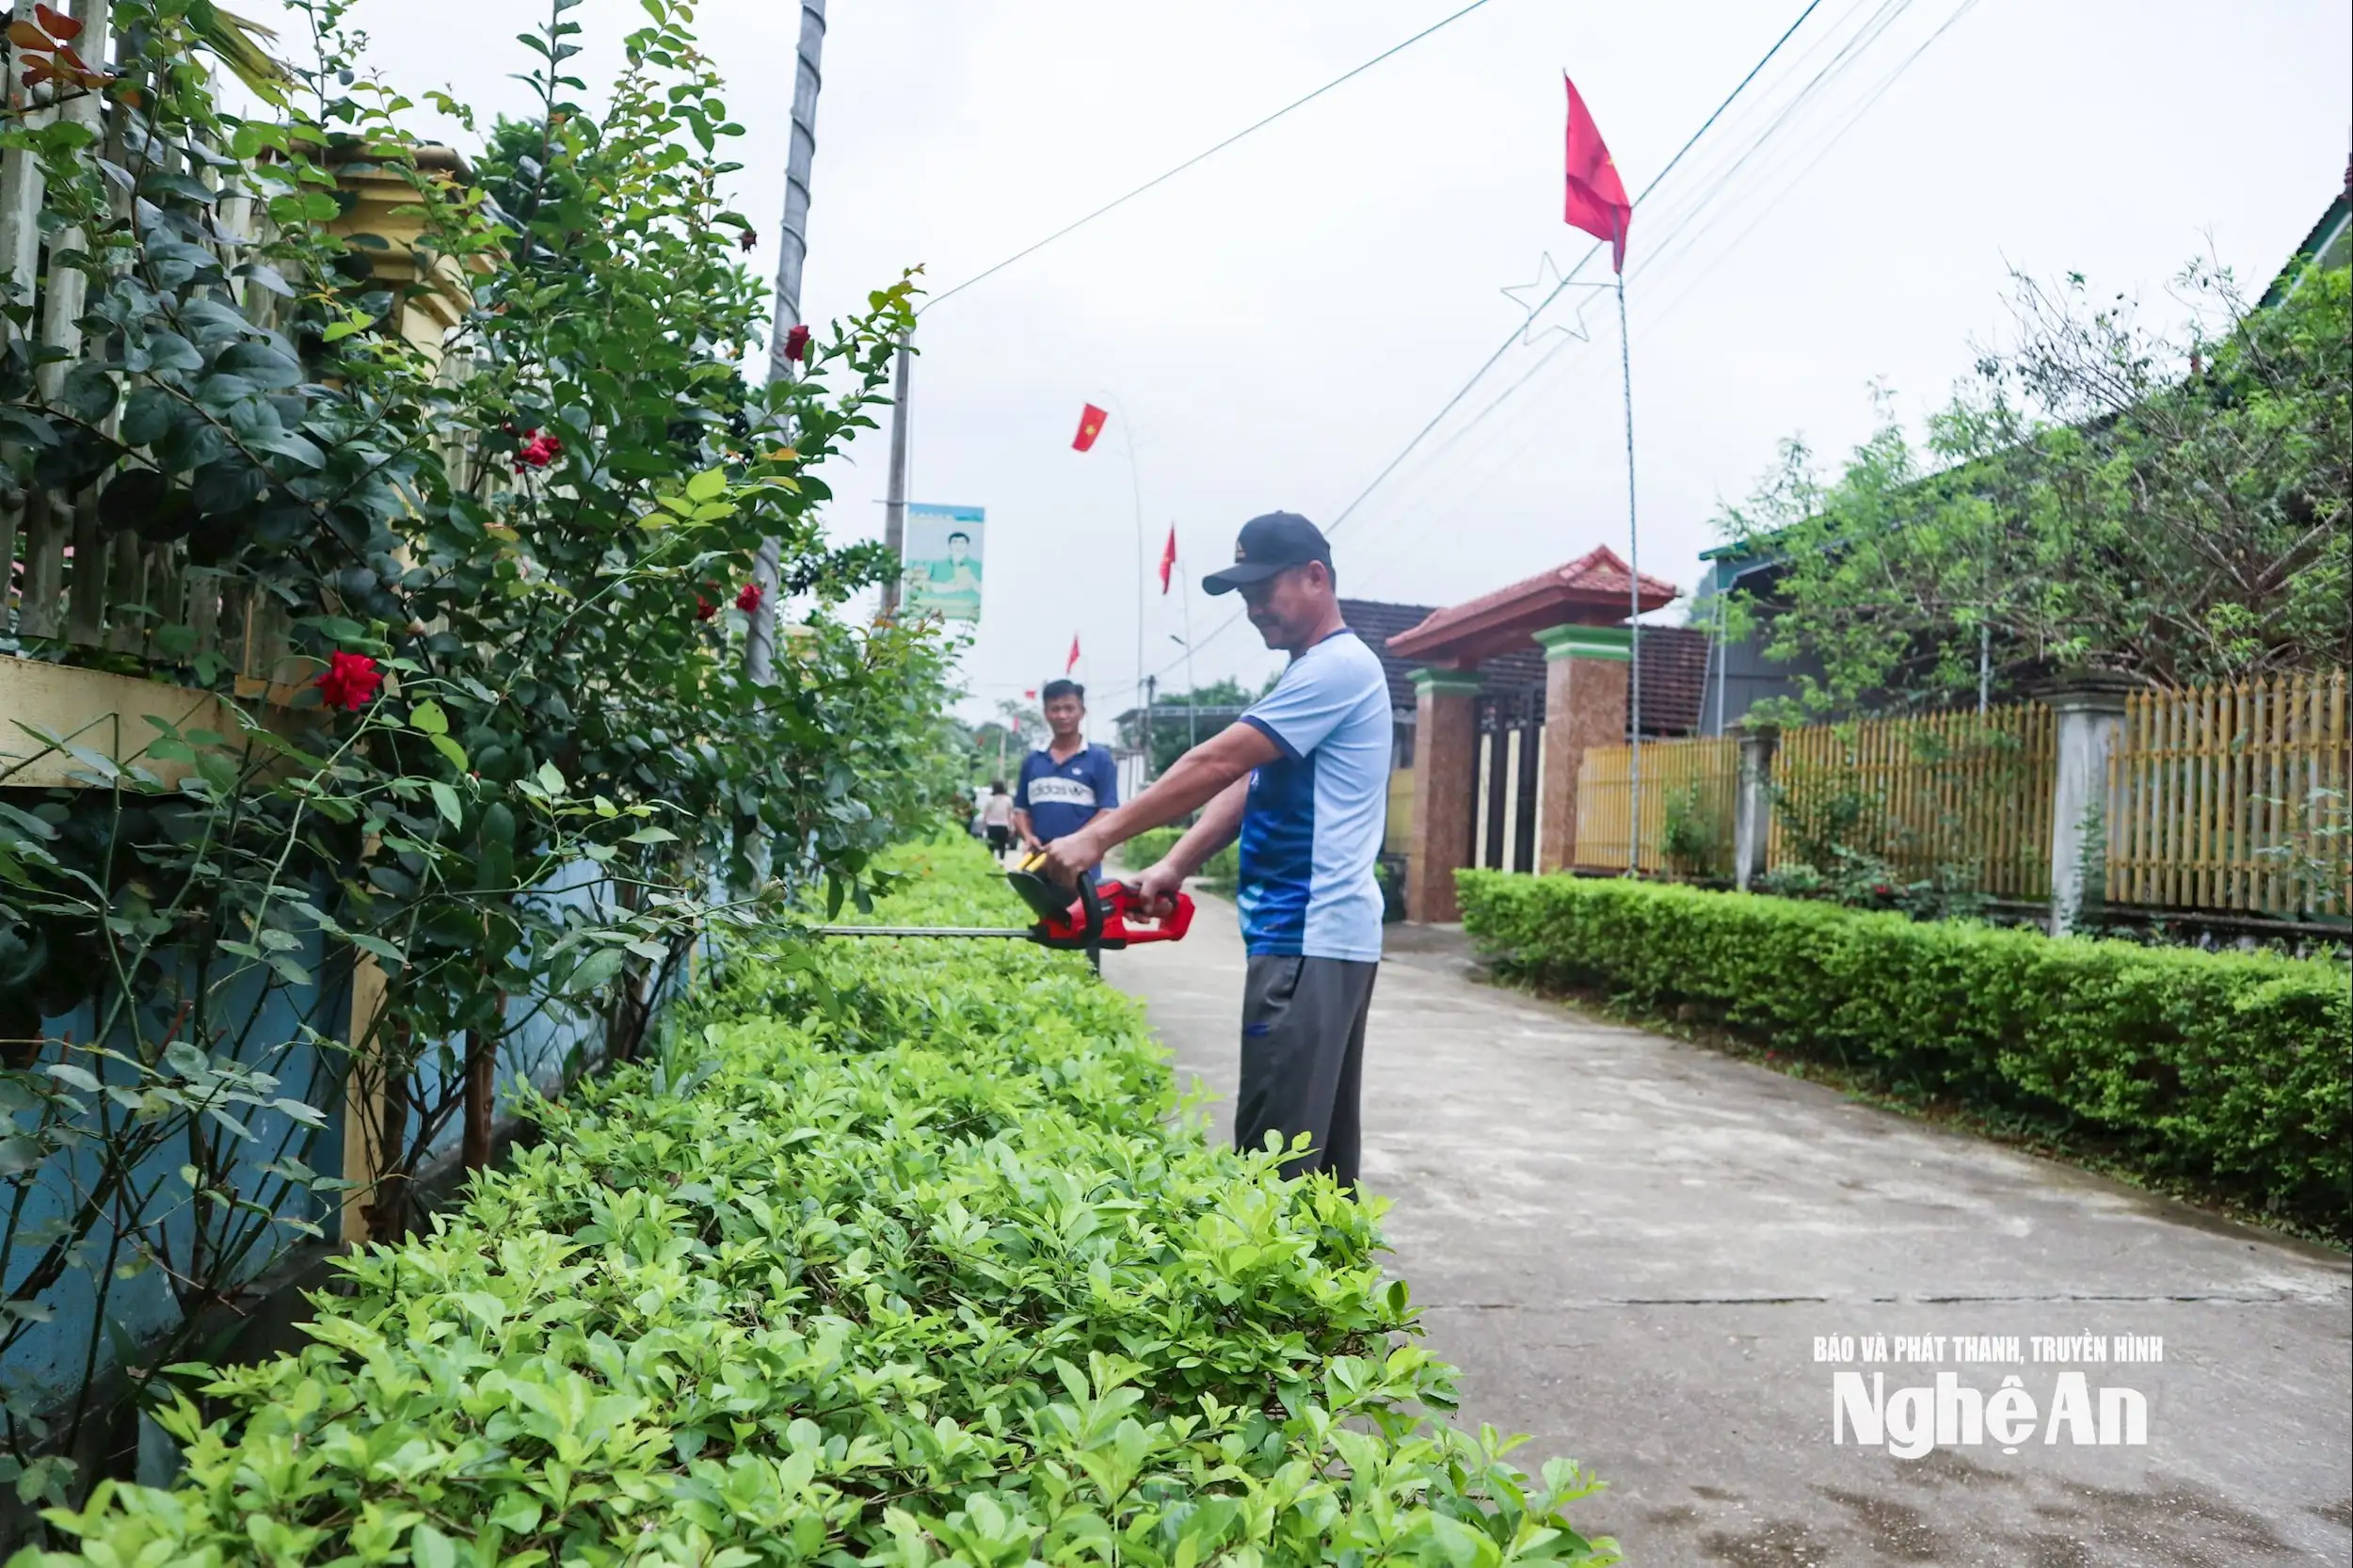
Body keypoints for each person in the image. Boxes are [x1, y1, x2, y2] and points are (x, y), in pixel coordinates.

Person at [1039, 512, 1388, 1189]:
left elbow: (1217, 762)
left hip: (1306, 940)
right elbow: (1252, 779)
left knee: (1272, 1169)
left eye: (1265, 588)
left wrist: (1097, 836)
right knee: (1319, 1171)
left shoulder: (1336, 668)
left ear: (1316, 576)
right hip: (1321, 941)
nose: (1253, 608)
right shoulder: (1312, 673)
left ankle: (1276, 1296)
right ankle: (1326, 1292)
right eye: (1244, 595)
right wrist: (1175, 864)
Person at [1014, 680, 1119, 881]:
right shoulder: (1032, 761)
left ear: (1082, 711)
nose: (1062, 715)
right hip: (1038, 864)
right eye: (1055, 709)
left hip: (1083, 866)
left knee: (1081, 913)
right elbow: (1020, 810)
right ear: (1045, 713)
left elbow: (1108, 811)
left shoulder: (1099, 759)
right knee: (1043, 912)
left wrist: (1075, 842)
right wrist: (1028, 836)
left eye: (1069, 708)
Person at [981, 780, 1016, 858]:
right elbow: (1010, 815)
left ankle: (990, 860)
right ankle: (1001, 860)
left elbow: (985, 814)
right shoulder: (1008, 799)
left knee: (991, 845)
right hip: (1003, 826)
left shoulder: (990, 799)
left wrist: (983, 826)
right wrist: (1012, 828)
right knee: (1002, 845)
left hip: (992, 825)